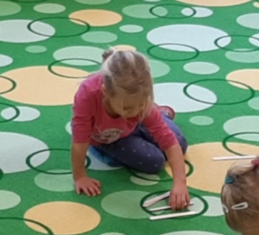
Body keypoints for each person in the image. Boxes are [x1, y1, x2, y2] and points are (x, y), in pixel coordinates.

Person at [69, 49, 190, 212]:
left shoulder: (139, 104)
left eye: (142, 103)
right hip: (108, 136)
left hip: (137, 123)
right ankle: (99, 148)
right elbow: (79, 141)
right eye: (127, 107)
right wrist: (80, 176)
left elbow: (169, 141)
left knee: (180, 144)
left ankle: (159, 112)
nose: (134, 111)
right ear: (106, 93)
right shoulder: (88, 94)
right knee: (155, 162)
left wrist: (180, 184)